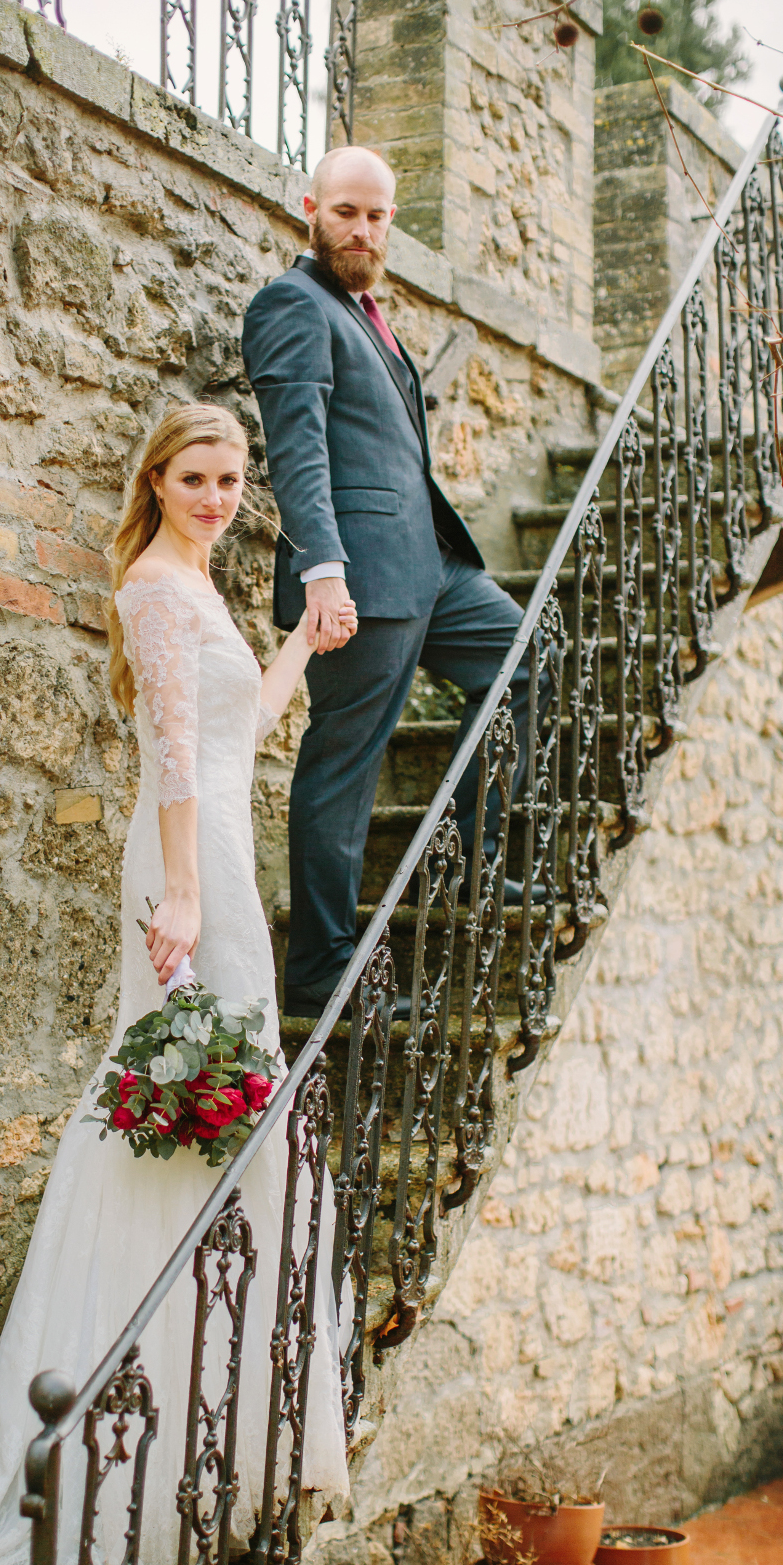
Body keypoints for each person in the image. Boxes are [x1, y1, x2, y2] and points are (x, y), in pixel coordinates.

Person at [0, 403, 355, 1565]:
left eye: (229, 480)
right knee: (186, 1100)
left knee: (225, 1102)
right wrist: (178, 891)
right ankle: (128, 1418)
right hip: (187, 864)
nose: (217, 496)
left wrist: (301, 649)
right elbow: (172, 755)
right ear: (154, 480)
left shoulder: (201, 587)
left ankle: (198, 1429)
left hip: (213, 841)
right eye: (195, 477)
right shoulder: (156, 589)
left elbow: (234, 735)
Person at [242, 145, 545, 1020]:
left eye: (377, 216)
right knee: (346, 765)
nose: (363, 229)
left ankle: (474, 865)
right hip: (359, 582)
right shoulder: (292, 305)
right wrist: (322, 575)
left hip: (436, 570)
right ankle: (323, 973)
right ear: (310, 208)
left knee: (525, 662)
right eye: (346, 212)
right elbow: (297, 448)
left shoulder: (368, 312)